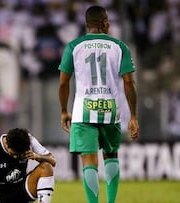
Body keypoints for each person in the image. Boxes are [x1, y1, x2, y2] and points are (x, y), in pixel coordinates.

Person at [58, 5, 139, 203]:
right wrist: (134, 116)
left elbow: (63, 83)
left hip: (83, 110)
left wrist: (63, 111)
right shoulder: (120, 46)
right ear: (104, 23)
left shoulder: (73, 47)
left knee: (89, 161)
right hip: (110, 109)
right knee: (111, 156)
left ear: (87, 24)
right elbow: (129, 82)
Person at [0, 128, 56, 203]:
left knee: (46, 167)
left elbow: (53, 161)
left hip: (21, 188)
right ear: (6, 144)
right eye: (13, 154)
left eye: (20, 155)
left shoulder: (29, 140)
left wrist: (37, 156)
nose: (16, 157)